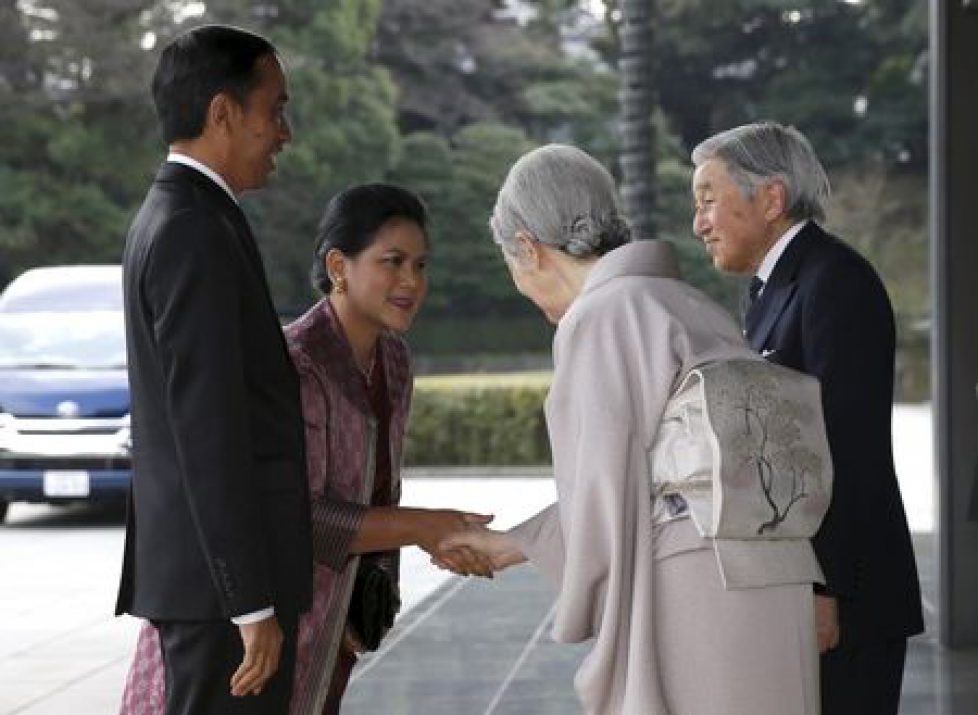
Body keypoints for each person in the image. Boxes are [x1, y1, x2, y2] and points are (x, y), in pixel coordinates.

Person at [441, 144, 825, 714]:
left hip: (698, 588)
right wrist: (514, 545)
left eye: (513, 266)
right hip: (773, 575)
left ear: (528, 248)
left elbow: (604, 498)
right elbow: (644, 476)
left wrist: (513, 550)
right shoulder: (687, 303)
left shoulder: (602, 317)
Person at [119, 183, 494, 715]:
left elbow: (381, 489)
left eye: (420, 264)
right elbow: (302, 518)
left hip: (333, 629)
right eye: (393, 261)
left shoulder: (394, 362)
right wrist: (426, 526)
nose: (412, 281)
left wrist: (374, 599)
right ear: (338, 266)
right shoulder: (294, 366)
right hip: (260, 630)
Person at [690, 120, 924, 714]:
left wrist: (827, 591)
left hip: (846, 597)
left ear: (771, 198)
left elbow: (846, 448)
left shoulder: (834, 282)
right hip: (801, 585)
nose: (699, 223)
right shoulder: (775, 289)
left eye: (709, 200)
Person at [115, 24, 313, 714]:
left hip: (209, 584)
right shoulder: (192, 229)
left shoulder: (187, 216)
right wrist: (248, 599)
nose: (284, 132)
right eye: (275, 110)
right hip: (217, 592)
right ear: (223, 112)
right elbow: (207, 429)